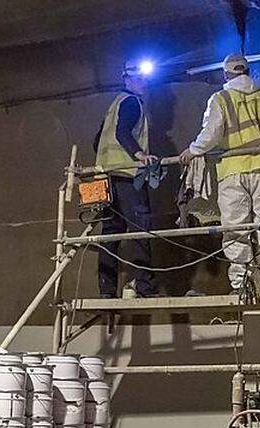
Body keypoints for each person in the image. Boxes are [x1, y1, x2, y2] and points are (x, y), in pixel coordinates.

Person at [177, 54, 260, 294]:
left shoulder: (221, 98)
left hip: (232, 171)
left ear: (226, 74)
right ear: (247, 71)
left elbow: (212, 132)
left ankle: (242, 283)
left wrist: (192, 150)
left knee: (235, 229)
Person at [93, 60, 159, 299]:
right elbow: (123, 132)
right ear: (127, 79)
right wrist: (139, 155)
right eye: (139, 78)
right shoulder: (132, 103)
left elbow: (97, 140)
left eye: (145, 79)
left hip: (107, 178)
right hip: (128, 176)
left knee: (111, 233)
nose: (144, 83)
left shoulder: (115, 104)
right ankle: (145, 287)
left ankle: (107, 291)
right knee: (141, 229)